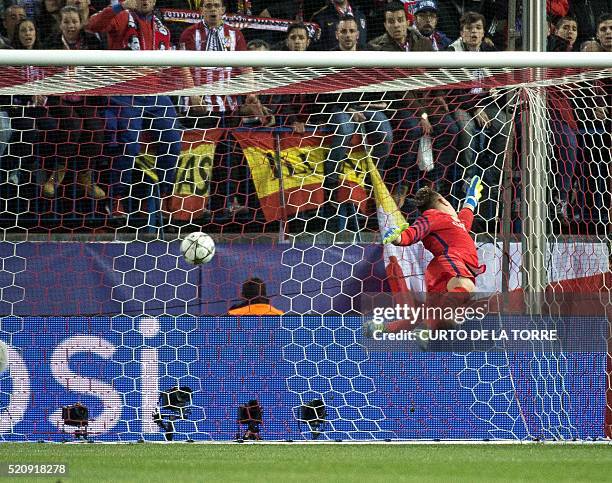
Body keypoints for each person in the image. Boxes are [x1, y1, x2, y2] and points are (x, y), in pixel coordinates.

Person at [88, 0, 182, 219]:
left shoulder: (162, 28)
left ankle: (166, 194)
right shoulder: (121, 16)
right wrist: (119, 6)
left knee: (174, 143)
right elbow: (92, 26)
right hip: (125, 92)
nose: (145, 0)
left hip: (155, 95)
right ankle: (116, 199)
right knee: (129, 145)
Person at [447, 12, 510, 227]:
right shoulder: (452, 52)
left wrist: (495, 91)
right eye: (469, 28)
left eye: (478, 28)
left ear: (484, 32)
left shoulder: (489, 50)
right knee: (466, 130)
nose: (474, 32)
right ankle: (468, 177)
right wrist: (474, 108)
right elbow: (450, 91)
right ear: (462, 32)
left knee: (504, 125)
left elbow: (498, 79)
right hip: (462, 104)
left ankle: (493, 177)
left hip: (486, 104)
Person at [40, 5, 106, 200]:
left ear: (81, 23)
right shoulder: (50, 44)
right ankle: (57, 174)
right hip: (58, 98)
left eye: (74, 21)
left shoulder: (92, 42)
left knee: (95, 126)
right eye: (66, 21)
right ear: (60, 24)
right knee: (73, 124)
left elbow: (101, 72)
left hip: (84, 97)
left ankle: (86, 175)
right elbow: (42, 74)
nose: (71, 25)